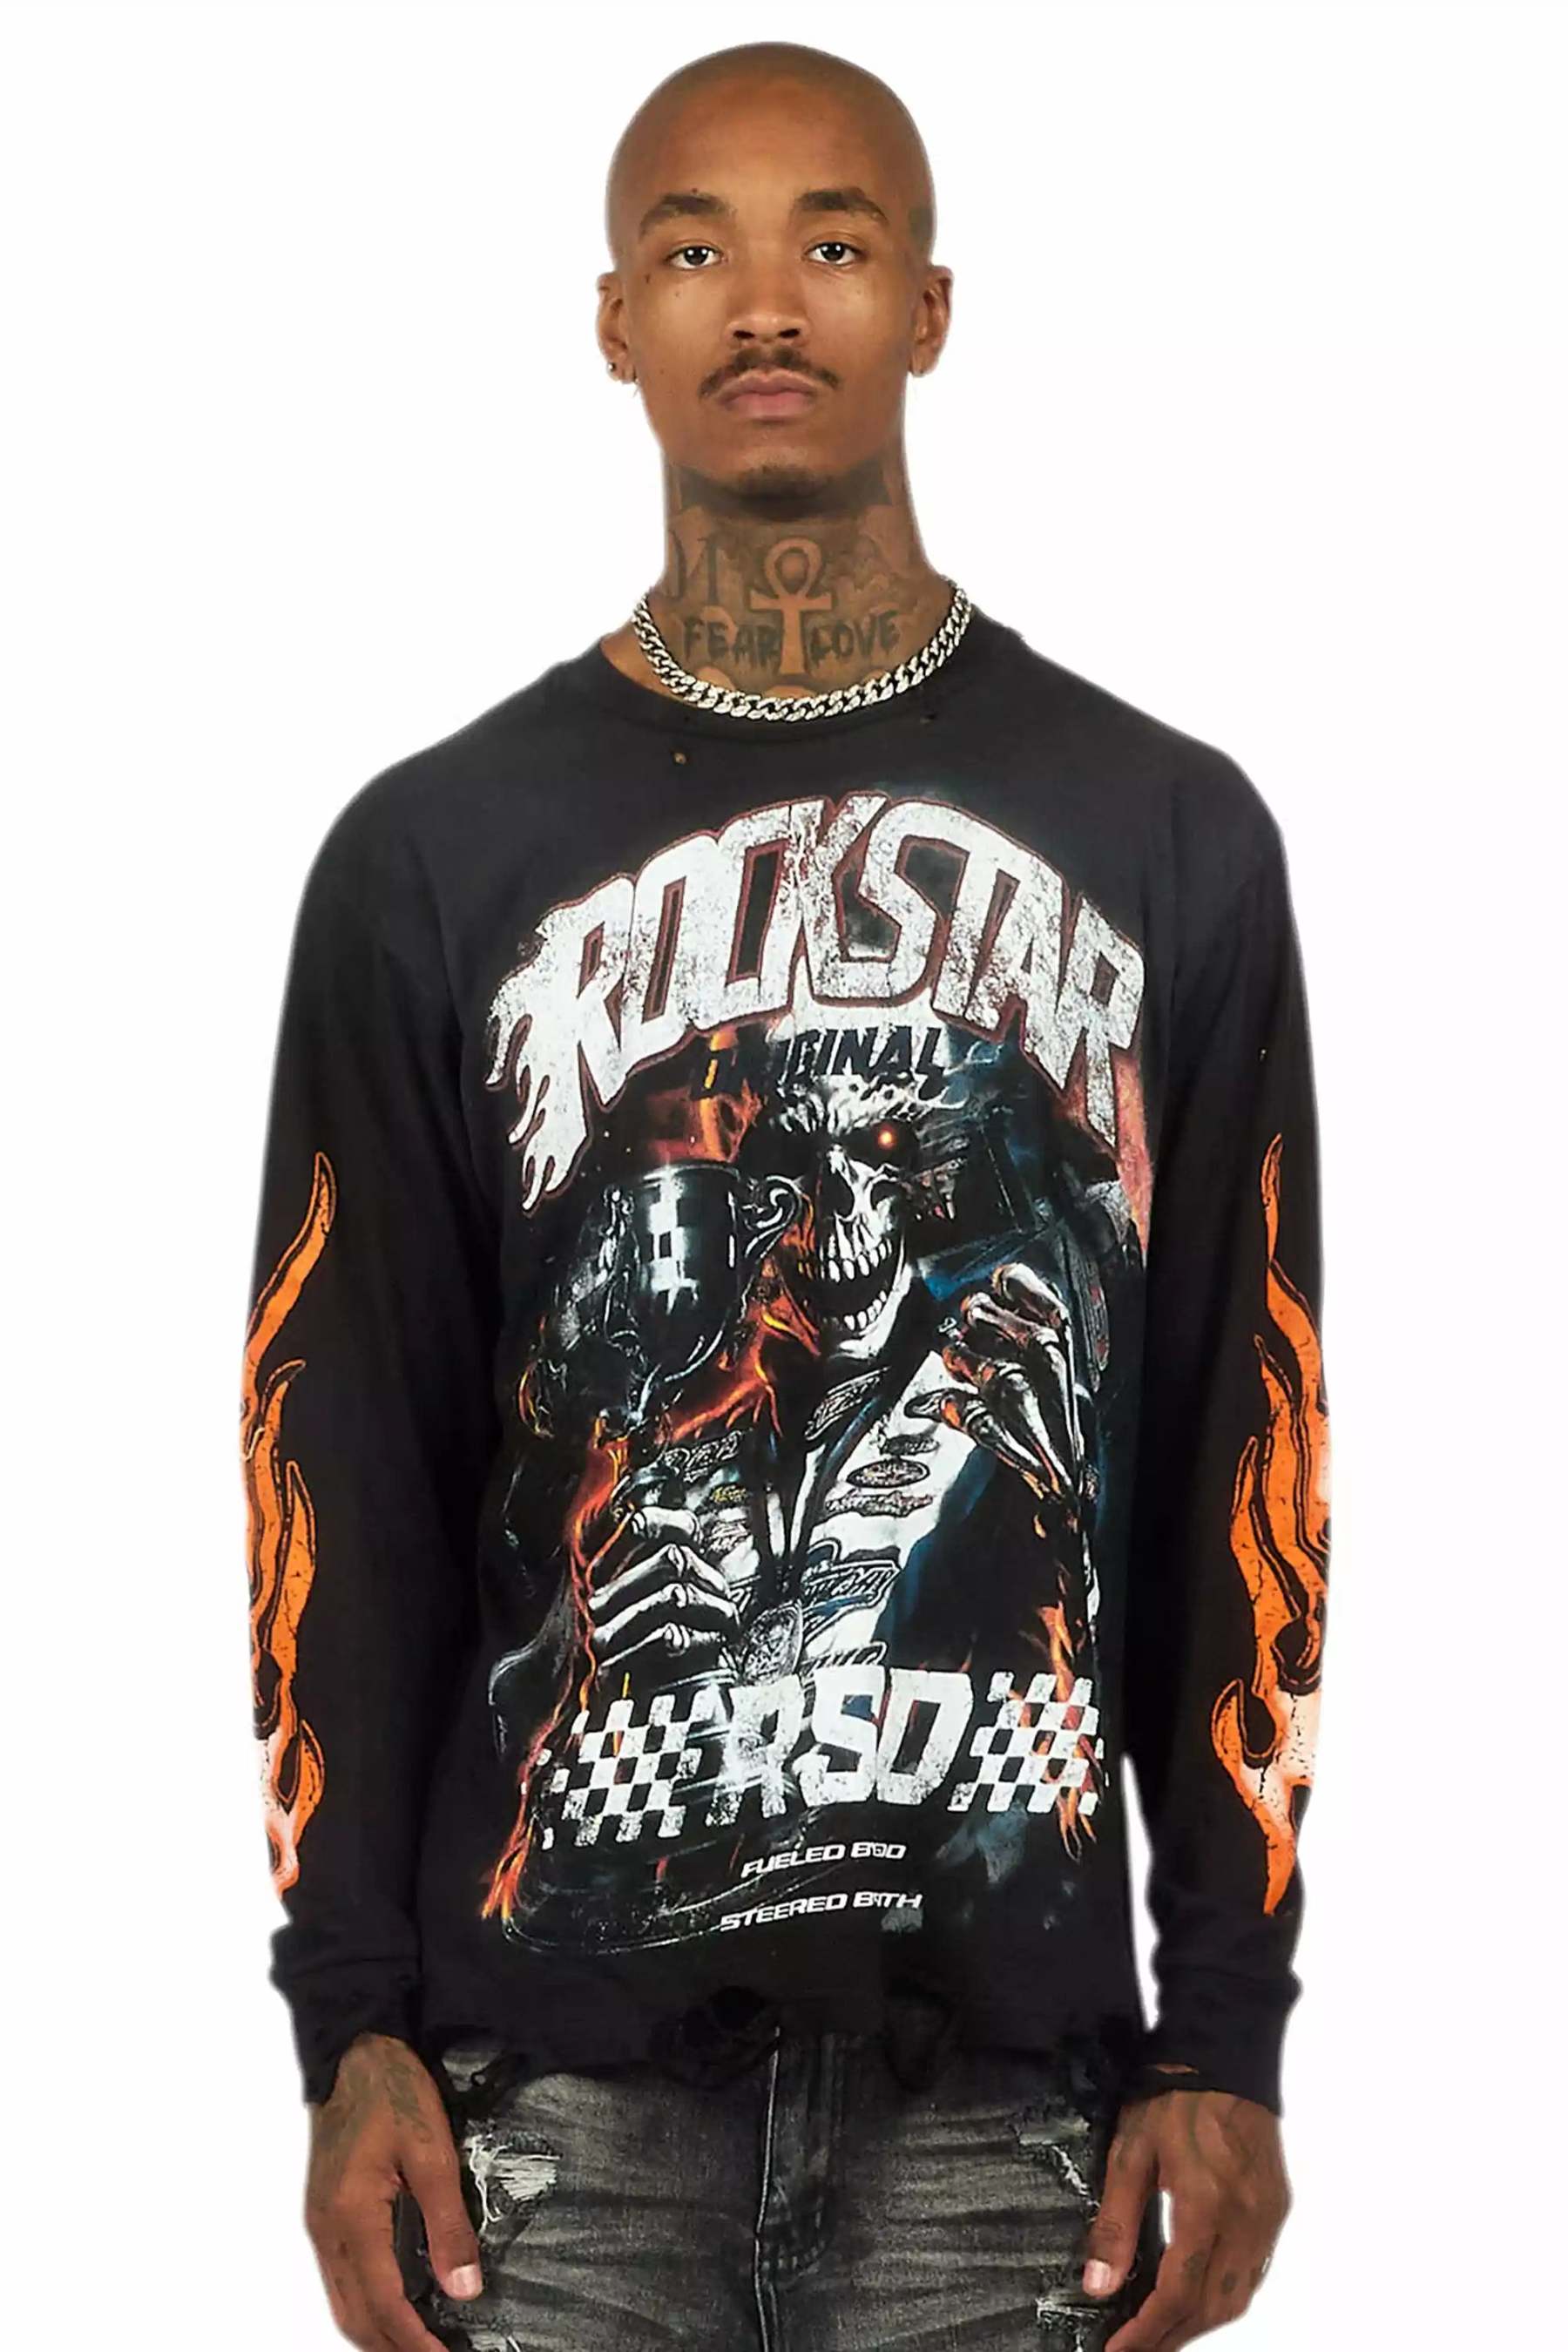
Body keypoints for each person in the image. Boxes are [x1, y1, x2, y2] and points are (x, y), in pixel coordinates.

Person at [239, 38, 1332, 2351]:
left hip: (1012, 2108)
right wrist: (348, 2022)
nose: (764, 301)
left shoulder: (1167, 834)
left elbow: (1247, 1430)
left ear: (927, 307)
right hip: (544, 2105)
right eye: (693, 247)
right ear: (613, 320)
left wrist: (1228, 2033)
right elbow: (341, 1454)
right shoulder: (430, 857)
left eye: (832, 241)